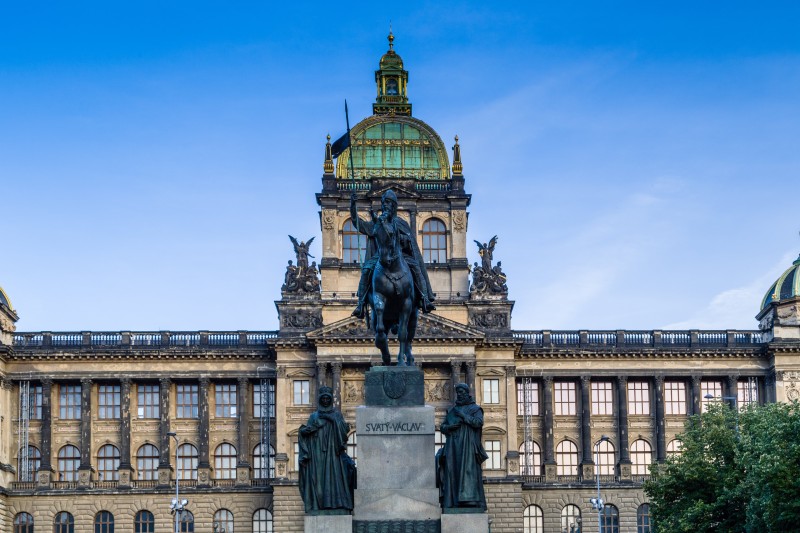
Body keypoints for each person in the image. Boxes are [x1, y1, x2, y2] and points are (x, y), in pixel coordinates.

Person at [349, 190, 435, 318]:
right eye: (383, 203)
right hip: (380, 256)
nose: (385, 205)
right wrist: (352, 206)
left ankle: (424, 298)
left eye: (388, 203)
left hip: (400, 256)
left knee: (416, 267)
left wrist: (403, 240)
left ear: (394, 206)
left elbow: (409, 242)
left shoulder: (401, 223)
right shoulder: (377, 223)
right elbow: (359, 224)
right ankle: (361, 304)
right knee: (366, 269)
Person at [298, 387, 355, 513]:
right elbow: (305, 432)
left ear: (330, 400)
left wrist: (332, 420)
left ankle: (336, 504)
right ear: (320, 399)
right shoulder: (313, 416)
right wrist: (304, 431)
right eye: (323, 398)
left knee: (335, 478)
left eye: (327, 398)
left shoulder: (336, 414)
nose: (325, 400)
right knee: (318, 480)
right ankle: (318, 505)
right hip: (317, 452)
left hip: (333, 453)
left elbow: (344, 432)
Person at [437, 383, 488, 511]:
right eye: (458, 392)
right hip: (453, 447)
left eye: (461, 392)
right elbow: (442, 427)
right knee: (452, 472)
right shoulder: (453, 410)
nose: (459, 394)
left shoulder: (475, 409)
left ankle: (469, 501)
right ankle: (452, 501)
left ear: (467, 393)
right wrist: (449, 427)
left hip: (467, 447)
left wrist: (464, 417)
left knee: (467, 473)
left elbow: (478, 422)